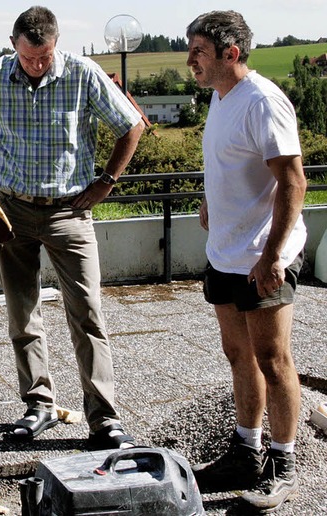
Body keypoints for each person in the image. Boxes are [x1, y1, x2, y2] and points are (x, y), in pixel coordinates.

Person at [0, 6, 144, 448]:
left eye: (45, 56)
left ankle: (104, 418)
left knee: (87, 312)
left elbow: (131, 126)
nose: (37, 64)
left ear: (56, 44)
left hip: (69, 210)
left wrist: (105, 182)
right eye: (29, 57)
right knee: (21, 311)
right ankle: (38, 405)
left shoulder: (84, 74)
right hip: (10, 210)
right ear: (14, 45)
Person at [185, 10, 307, 513]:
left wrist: (273, 255)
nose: (190, 59)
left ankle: (284, 463)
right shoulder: (220, 96)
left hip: (262, 256)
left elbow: (293, 181)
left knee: (273, 361)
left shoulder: (262, 101)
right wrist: (214, 199)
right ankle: (245, 451)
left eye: (199, 51)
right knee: (239, 356)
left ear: (230, 54)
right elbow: (237, 163)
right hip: (226, 254)